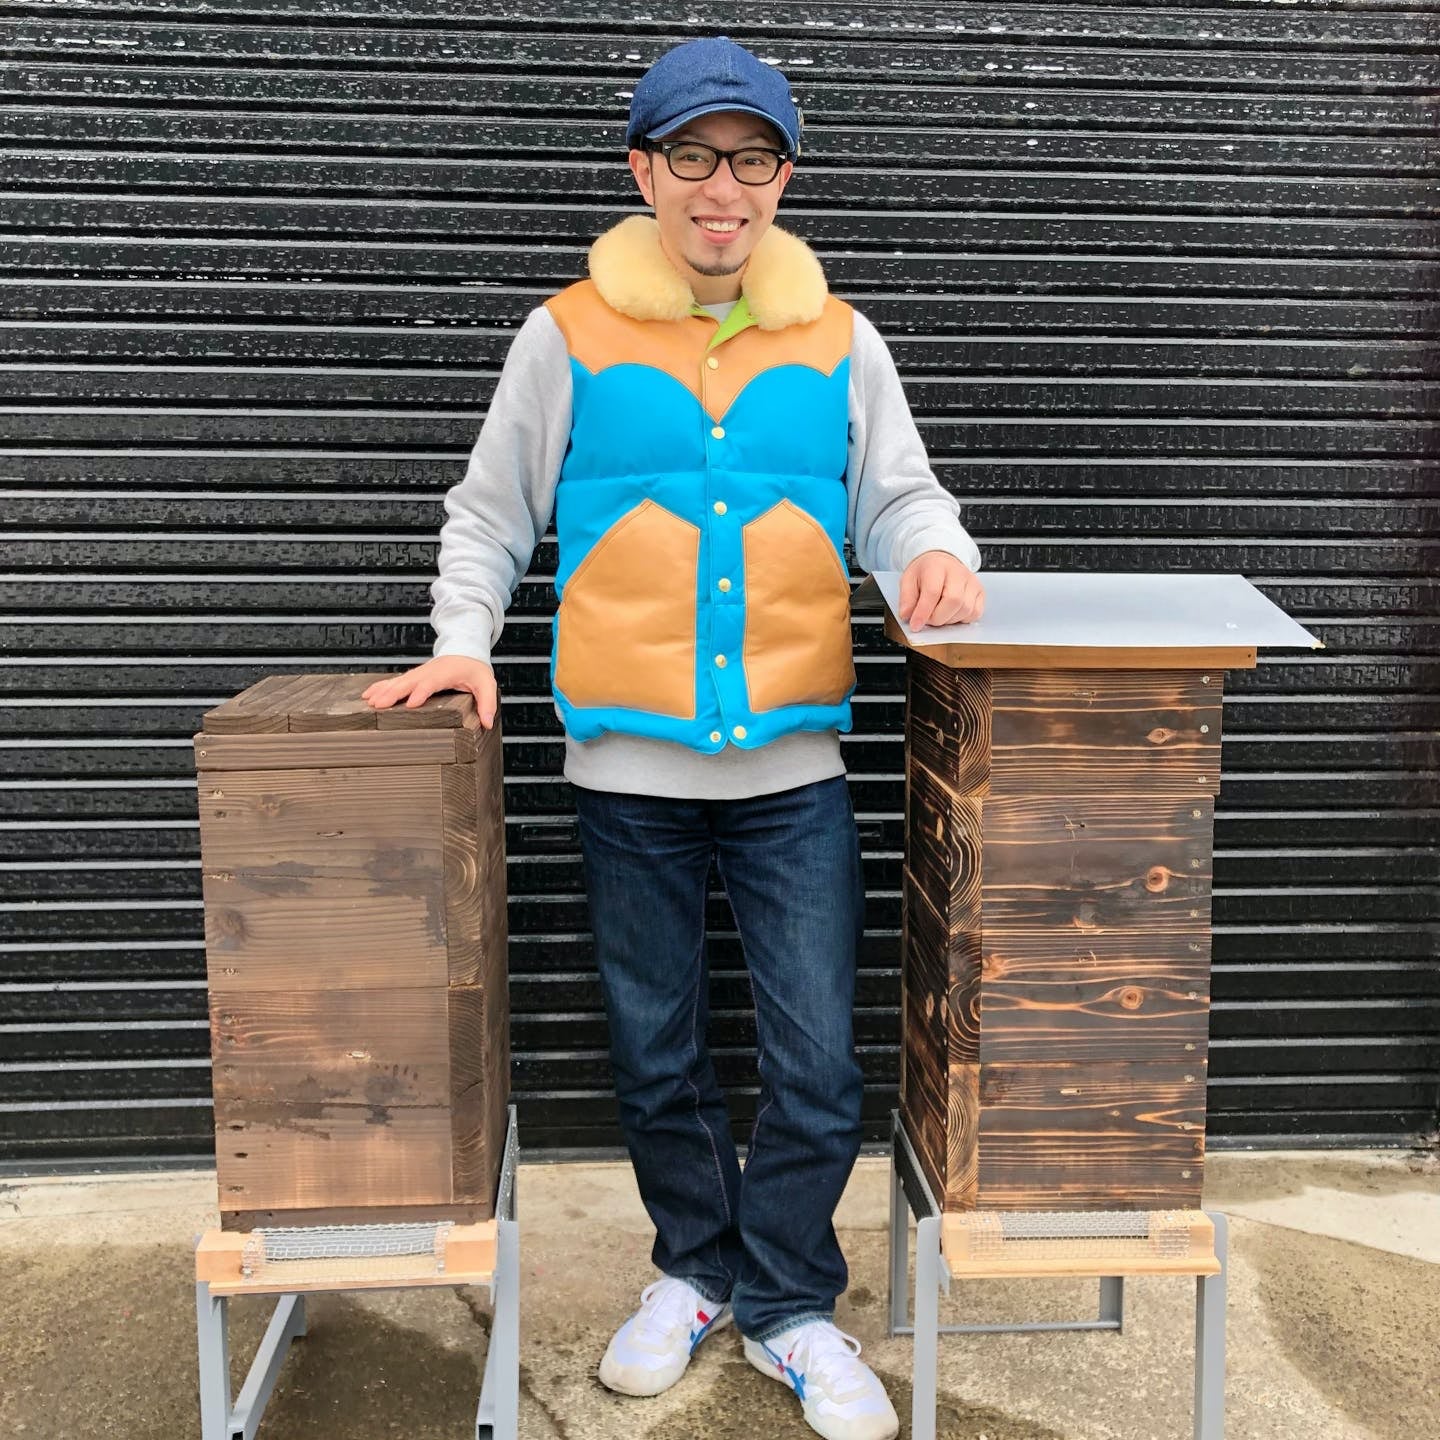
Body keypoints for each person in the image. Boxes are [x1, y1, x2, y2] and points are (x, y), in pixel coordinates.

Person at [363, 35, 983, 1440]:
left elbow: (900, 498)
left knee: (817, 1061)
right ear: (644, 171)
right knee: (655, 1051)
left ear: (783, 180)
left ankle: (791, 1302)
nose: (724, 187)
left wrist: (936, 554)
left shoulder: (840, 337)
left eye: (753, 159)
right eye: (694, 155)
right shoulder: (567, 334)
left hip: (793, 771)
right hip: (624, 770)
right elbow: (489, 513)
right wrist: (461, 643)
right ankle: (695, 1272)